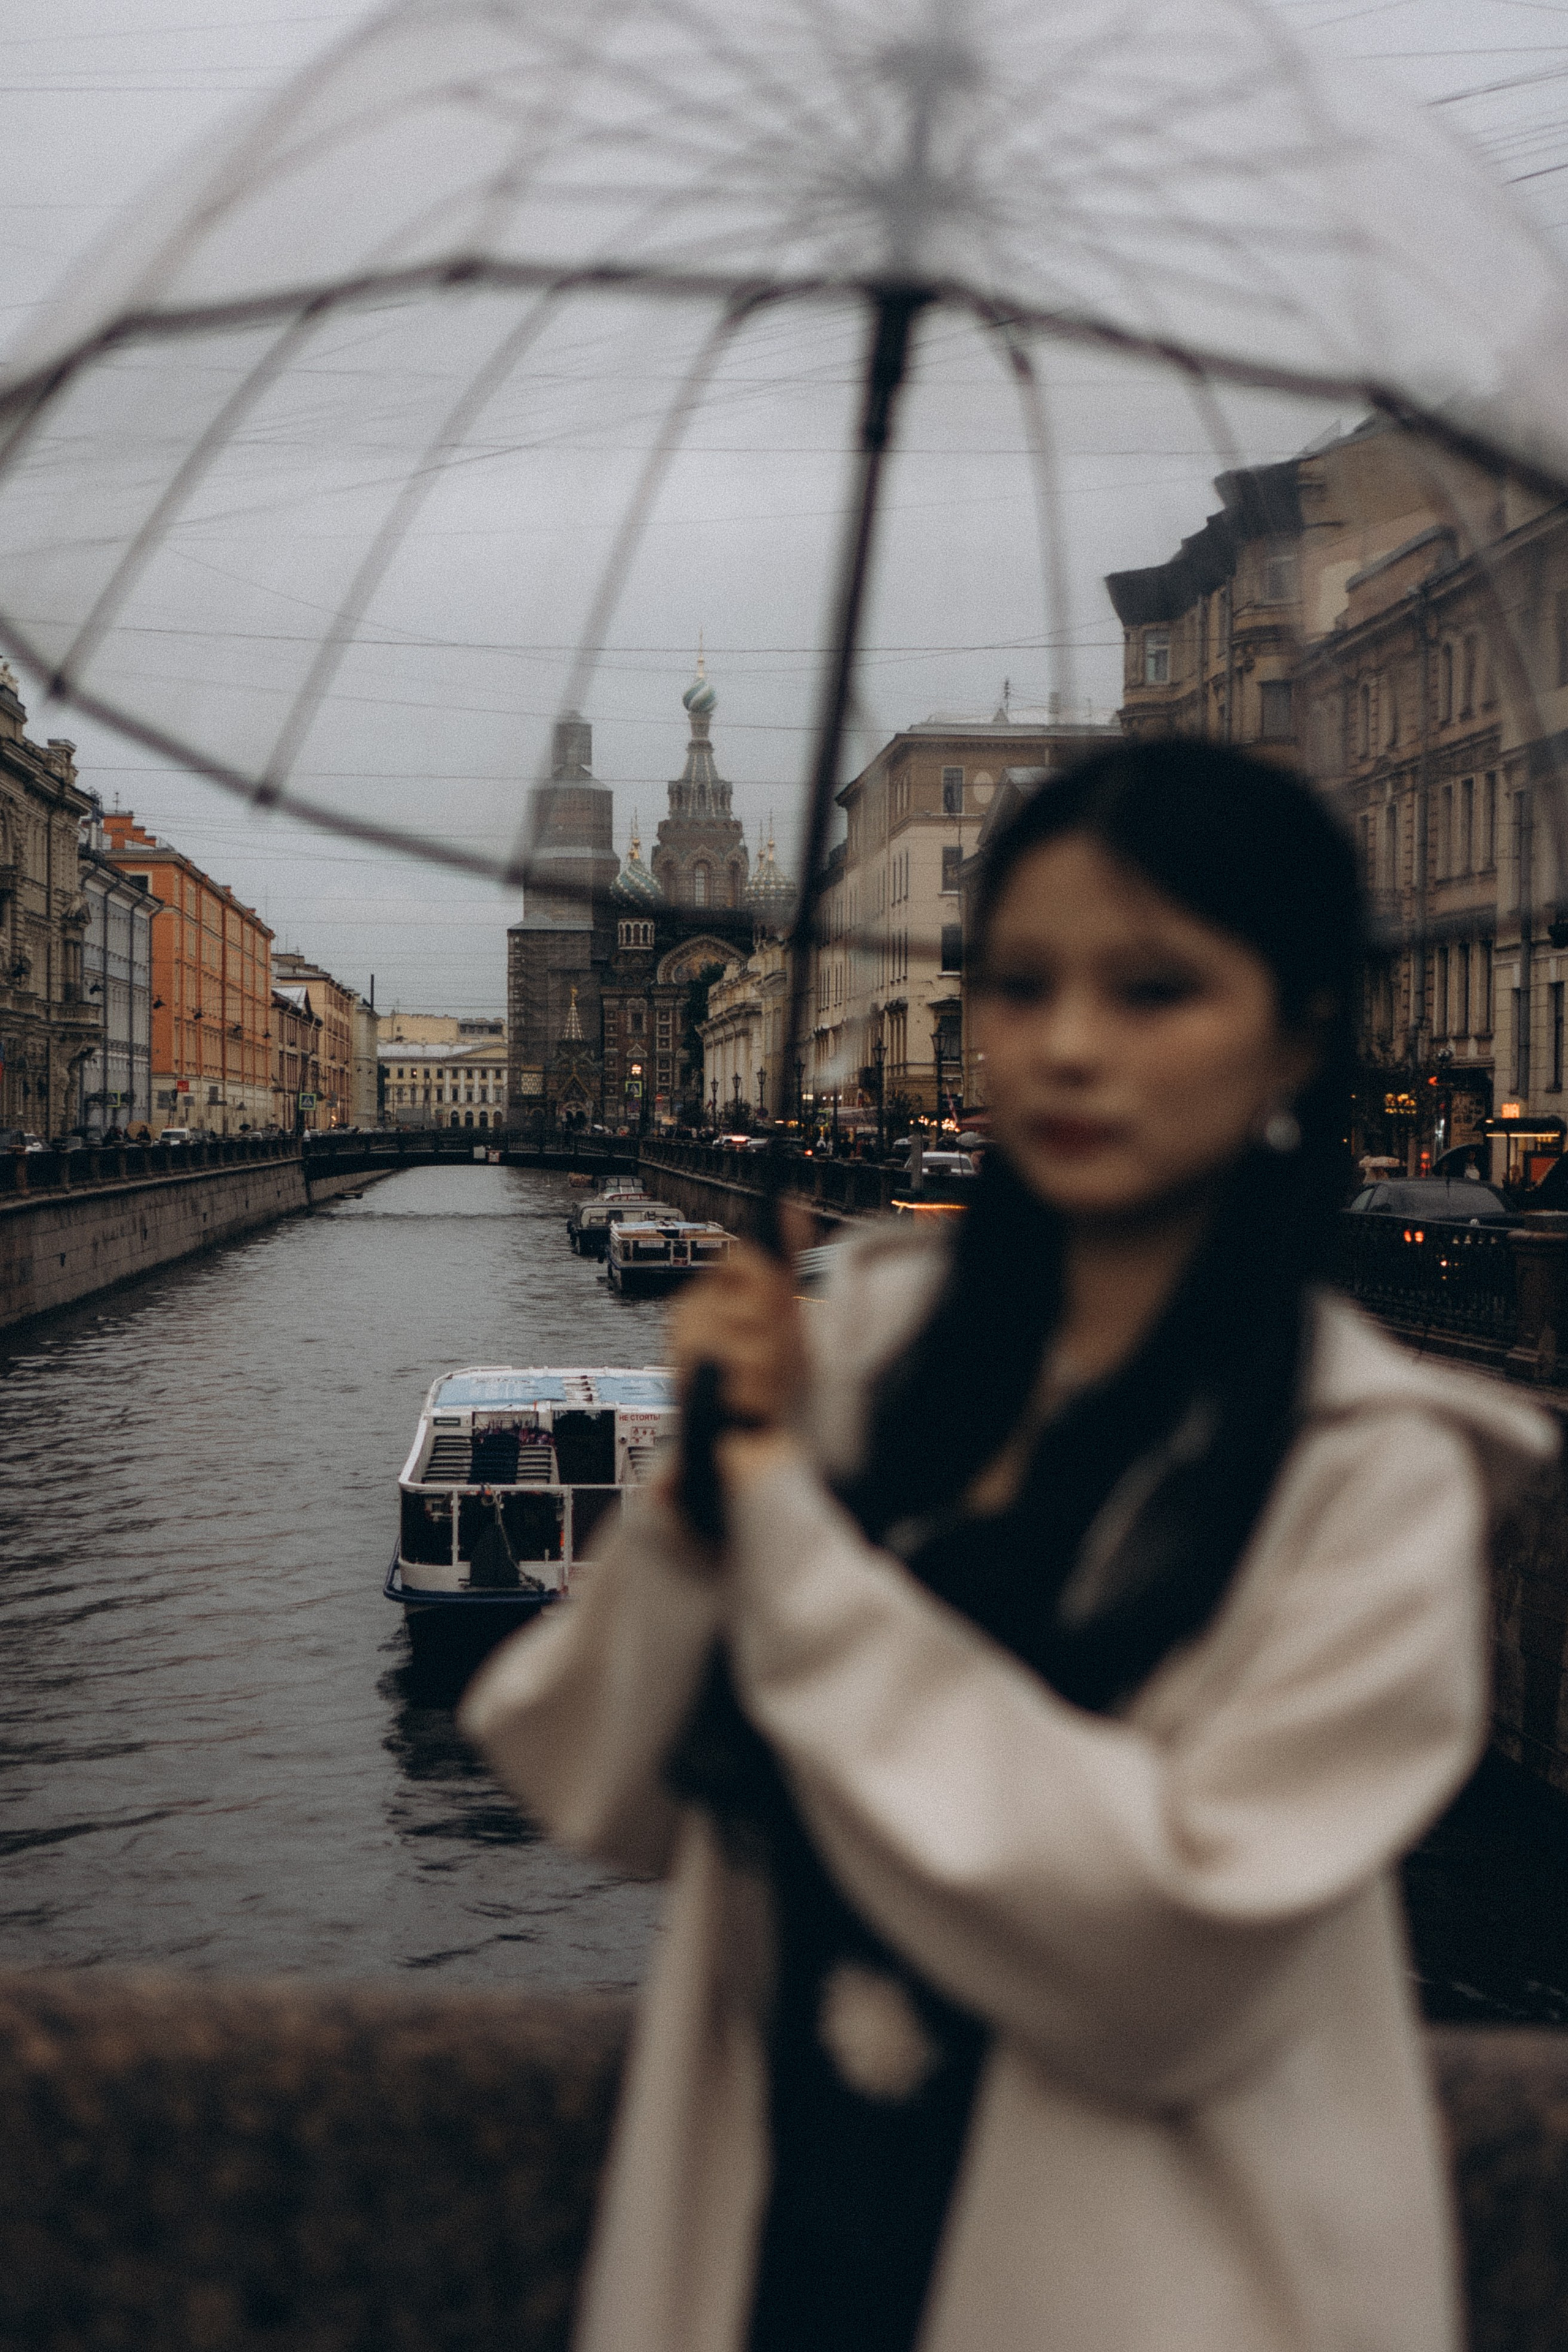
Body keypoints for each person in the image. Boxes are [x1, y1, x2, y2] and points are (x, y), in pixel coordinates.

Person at [462, 740, 1554, 2352]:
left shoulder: (1374, 1472)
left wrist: (789, 1549)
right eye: (1022, 983)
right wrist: (694, 1511)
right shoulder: (857, 1363)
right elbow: (587, 1785)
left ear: (1299, 1035)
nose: (1068, 1047)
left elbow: (1166, 1965)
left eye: (1155, 989)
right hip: (784, 2264)